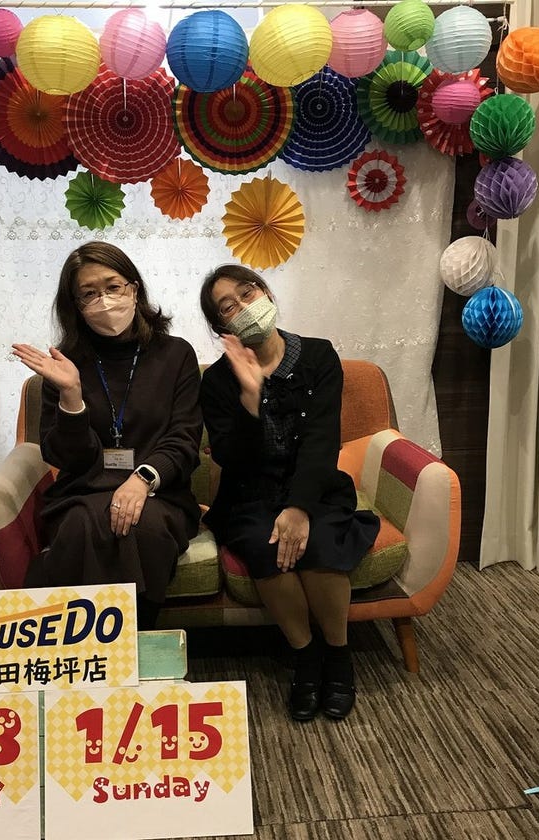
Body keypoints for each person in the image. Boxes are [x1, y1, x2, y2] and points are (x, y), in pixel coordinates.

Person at [199, 265, 380, 722]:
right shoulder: (217, 381)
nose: (244, 307)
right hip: (250, 493)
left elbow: (322, 439)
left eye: (248, 293)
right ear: (222, 328)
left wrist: (299, 507)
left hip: (315, 485)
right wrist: (249, 399)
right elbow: (230, 458)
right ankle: (305, 655)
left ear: (265, 292)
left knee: (319, 544)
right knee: (267, 547)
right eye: (228, 307)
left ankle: (338, 654)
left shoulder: (318, 355)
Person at [12, 242, 202, 631]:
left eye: (113, 287)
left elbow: (184, 438)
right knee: (82, 526)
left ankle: (129, 642)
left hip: (160, 492)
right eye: (89, 293)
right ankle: (93, 647)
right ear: (75, 305)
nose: (104, 300)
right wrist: (71, 396)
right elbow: (66, 458)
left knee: (144, 526)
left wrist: (143, 478)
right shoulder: (63, 365)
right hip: (82, 491)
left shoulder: (176, 354)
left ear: (134, 289)